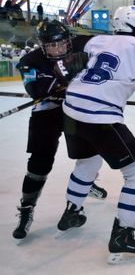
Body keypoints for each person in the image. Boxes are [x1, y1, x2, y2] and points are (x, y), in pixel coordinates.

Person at [58, 5, 135, 264]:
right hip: (99, 116)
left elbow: (73, 64)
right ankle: (123, 235)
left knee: (87, 161)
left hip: (71, 109)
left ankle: (71, 212)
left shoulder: (96, 40)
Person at [12, 20, 107, 240]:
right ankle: (27, 209)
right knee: (39, 162)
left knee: (89, 152)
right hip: (46, 112)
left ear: (68, 41)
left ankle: (86, 182)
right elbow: (34, 89)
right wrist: (61, 81)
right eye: (51, 46)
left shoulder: (82, 45)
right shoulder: (30, 60)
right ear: (42, 45)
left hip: (74, 110)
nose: (57, 49)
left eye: (61, 45)